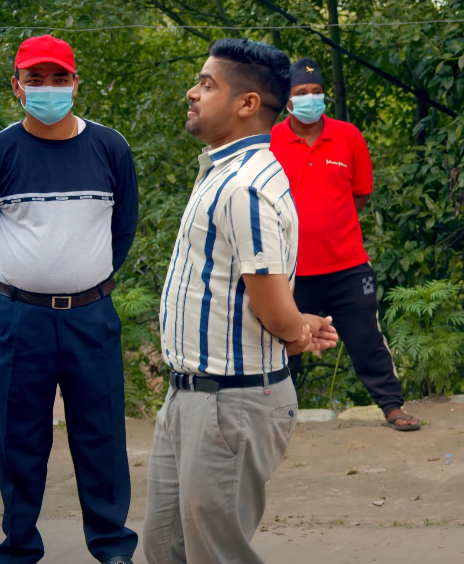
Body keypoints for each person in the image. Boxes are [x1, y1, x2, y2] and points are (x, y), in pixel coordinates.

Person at [143, 38, 337, 564]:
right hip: (191, 397)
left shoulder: (245, 186)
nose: (193, 92)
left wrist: (295, 328)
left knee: (216, 554)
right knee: (164, 546)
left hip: (229, 403)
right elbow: (256, 293)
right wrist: (298, 324)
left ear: (248, 103)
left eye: (207, 85)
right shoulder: (222, 172)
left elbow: (272, 307)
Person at [0, 34, 140, 564]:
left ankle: (112, 547)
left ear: (76, 84)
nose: (48, 89)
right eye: (35, 79)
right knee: (17, 438)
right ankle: (19, 547)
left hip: (91, 316)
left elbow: (122, 227)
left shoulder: (109, 146)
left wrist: (86, 279)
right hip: (20, 318)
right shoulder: (3, 149)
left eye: (59, 78)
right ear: (17, 87)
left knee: (101, 434)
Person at [269, 58, 415, 430]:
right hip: (290, 271)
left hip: (347, 266)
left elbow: (360, 194)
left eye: (316, 92)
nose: (310, 98)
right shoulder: (270, 141)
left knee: (367, 339)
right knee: (283, 344)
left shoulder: (348, 136)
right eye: (301, 93)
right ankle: (274, 417)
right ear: (287, 100)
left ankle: (392, 406)